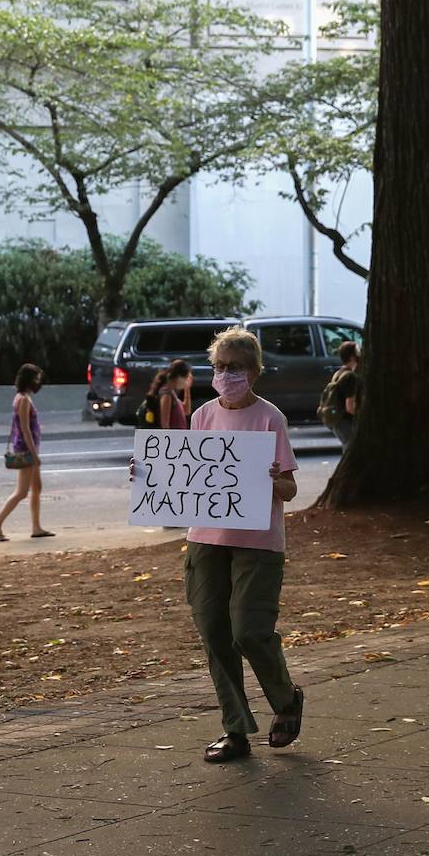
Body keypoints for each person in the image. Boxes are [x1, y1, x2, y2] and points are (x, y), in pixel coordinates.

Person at [185, 326, 304, 762]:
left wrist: (275, 481)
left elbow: (290, 490)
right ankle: (235, 729)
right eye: (219, 366)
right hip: (206, 540)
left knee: (249, 631)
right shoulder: (201, 417)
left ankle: (286, 699)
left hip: (258, 543)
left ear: (254, 371)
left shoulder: (270, 418)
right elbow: (189, 478)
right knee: (215, 634)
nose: (225, 375)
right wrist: (148, 476)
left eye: (234, 367)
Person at [0, 363, 55, 542]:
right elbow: (25, 428)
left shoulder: (23, 397)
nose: (38, 382)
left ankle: (36, 527)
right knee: (22, 492)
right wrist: (34, 455)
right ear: (29, 380)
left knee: (37, 487)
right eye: (36, 379)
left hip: (29, 447)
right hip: (26, 449)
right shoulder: (23, 399)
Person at [318, 341, 361, 449]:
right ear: (352, 357)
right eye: (358, 353)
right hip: (344, 420)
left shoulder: (339, 373)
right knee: (350, 447)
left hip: (336, 420)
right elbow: (350, 407)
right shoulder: (350, 376)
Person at [146, 358, 193, 430]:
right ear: (178, 377)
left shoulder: (171, 392)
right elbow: (165, 425)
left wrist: (187, 388)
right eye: (186, 378)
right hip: (173, 438)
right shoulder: (166, 394)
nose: (186, 381)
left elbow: (186, 411)